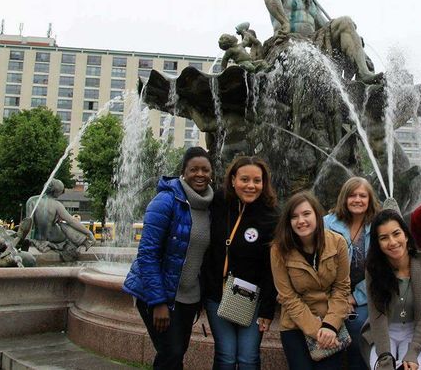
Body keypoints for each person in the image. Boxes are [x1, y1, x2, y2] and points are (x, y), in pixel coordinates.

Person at [122, 147, 214, 370]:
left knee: (175, 354)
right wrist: (158, 302)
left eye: (205, 169)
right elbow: (147, 254)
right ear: (183, 172)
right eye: (194, 169)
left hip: (188, 297)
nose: (200, 174)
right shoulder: (166, 201)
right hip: (160, 294)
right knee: (171, 352)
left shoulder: (211, 205)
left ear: (212, 173)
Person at [204, 156, 279, 370]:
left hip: (251, 298)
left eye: (257, 181)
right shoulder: (218, 203)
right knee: (226, 356)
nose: (251, 186)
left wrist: (267, 309)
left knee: (248, 358)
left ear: (264, 183)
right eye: (244, 179)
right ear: (233, 179)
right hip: (217, 294)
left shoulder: (270, 215)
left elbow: (271, 267)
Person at [271, 191, 351, 369]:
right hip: (295, 324)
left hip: (330, 318)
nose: (301, 221)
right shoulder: (279, 249)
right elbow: (287, 297)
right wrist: (317, 331)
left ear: (317, 214)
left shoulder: (338, 242)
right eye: (294, 217)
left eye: (306, 214)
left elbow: (342, 288)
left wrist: (330, 326)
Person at [361, 209, 421, 370]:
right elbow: (377, 314)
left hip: (413, 332)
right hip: (384, 331)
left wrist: (413, 351)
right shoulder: (373, 268)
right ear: (377, 243)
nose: (392, 242)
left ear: (406, 235)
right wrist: (384, 356)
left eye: (396, 234)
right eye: (384, 238)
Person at [324, 177, 381, 370]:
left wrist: (355, 297)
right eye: (352, 195)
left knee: (359, 329)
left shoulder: (378, 226)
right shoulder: (327, 223)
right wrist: (339, 297)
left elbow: (381, 269)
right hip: (331, 293)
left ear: (369, 199)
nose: (357, 200)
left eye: (362, 196)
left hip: (365, 294)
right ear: (344, 198)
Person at [26, 178, 95, 261]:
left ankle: (85, 241)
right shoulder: (57, 205)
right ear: (55, 191)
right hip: (53, 237)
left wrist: (26, 239)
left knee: (61, 223)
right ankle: (86, 241)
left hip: (37, 237)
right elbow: (72, 221)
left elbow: (28, 222)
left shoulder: (32, 201)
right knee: (64, 225)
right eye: (60, 192)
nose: (59, 195)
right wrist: (89, 232)